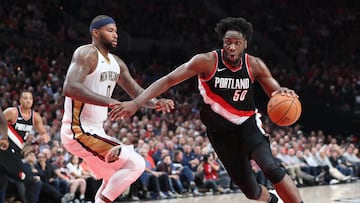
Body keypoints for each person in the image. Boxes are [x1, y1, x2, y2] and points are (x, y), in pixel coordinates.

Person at [112, 17, 303, 203]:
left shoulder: (254, 65)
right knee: (251, 191)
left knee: (271, 167)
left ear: (245, 44)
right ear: (223, 42)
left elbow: (275, 93)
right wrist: (136, 103)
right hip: (220, 134)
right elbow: (169, 79)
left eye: (237, 43)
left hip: (248, 125)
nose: (232, 47)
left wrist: (282, 93)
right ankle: (271, 200)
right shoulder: (206, 61)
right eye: (228, 42)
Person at [60, 15, 174, 203]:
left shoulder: (117, 63)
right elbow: (70, 87)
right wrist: (110, 102)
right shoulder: (86, 53)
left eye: (116, 31)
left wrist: (156, 103)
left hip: (96, 130)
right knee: (136, 164)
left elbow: (136, 91)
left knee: (114, 176)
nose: (115, 35)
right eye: (110, 30)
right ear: (95, 33)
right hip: (77, 129)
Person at [0, 91, 50, 203]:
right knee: (30, 179)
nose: (28, 100)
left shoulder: (35, 117)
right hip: (5, 150)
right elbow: (1, 122)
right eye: (25, 98)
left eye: (30, 98)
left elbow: (44, 133)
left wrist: (44, 137)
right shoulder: (12, 112)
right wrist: (4, 137)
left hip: (15, 152)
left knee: (2, 183)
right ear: (20, 100)